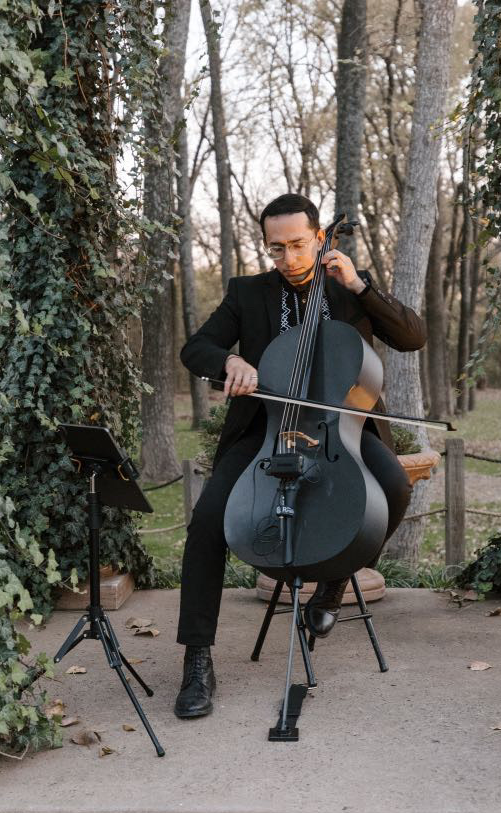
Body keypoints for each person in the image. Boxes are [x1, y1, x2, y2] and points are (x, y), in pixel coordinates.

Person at [173, 193, 426, 718]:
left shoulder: (348, 288)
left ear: (317, 238)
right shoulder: (247, 293)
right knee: (207, 521)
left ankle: (333, 584)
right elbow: (195, 349)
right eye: (276, 248)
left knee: (395, 488)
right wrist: (230, 362)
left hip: (342, 430)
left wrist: (360, 286)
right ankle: (197, 659)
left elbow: (412, 336)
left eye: (298, 245)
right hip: (265, 429)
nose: (288, 259)